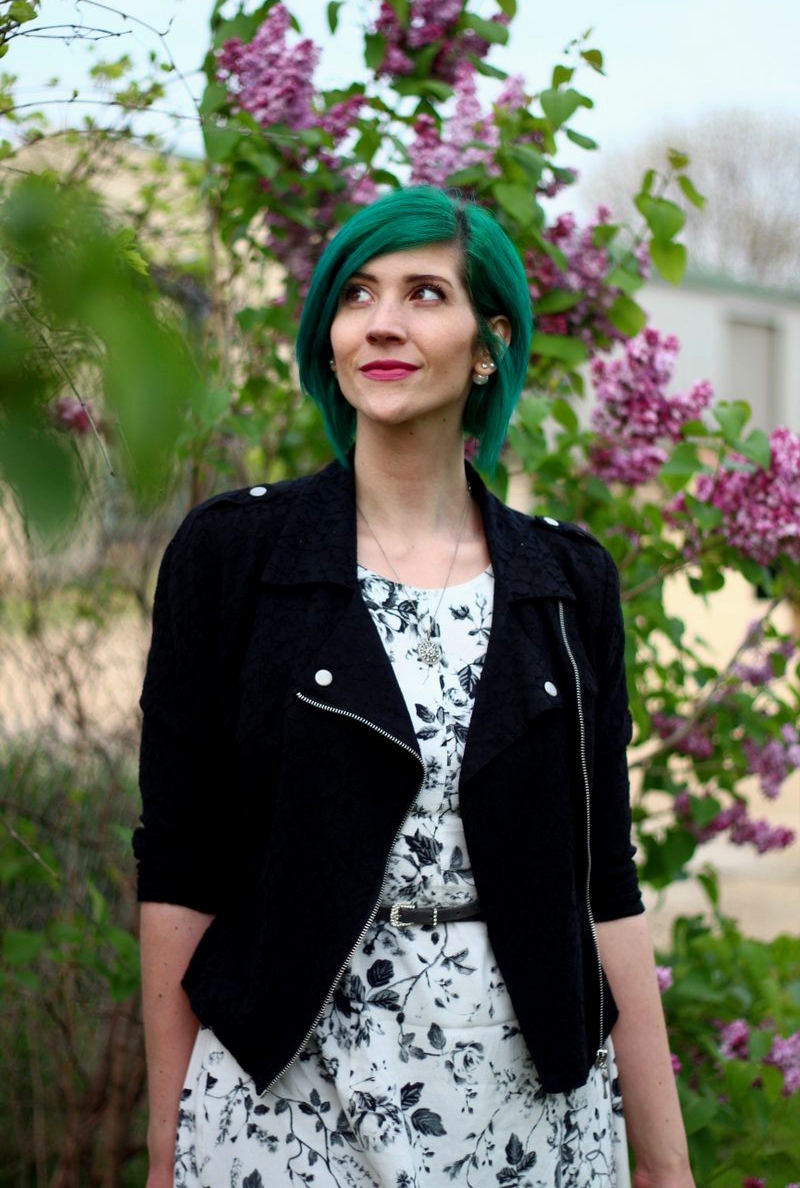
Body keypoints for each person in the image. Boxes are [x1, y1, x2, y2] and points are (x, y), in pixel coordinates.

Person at [135, 186, 695, 1188]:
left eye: (423, 292)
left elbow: (603, 884)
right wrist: (169, 1148)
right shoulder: (235, 556)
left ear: (487, 345)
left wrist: (663, 1162)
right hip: (284, 1106)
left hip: (527, 1105)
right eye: (356, 295)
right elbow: (181, 869)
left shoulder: (567, 584)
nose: (381, 321)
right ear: (329, 337)